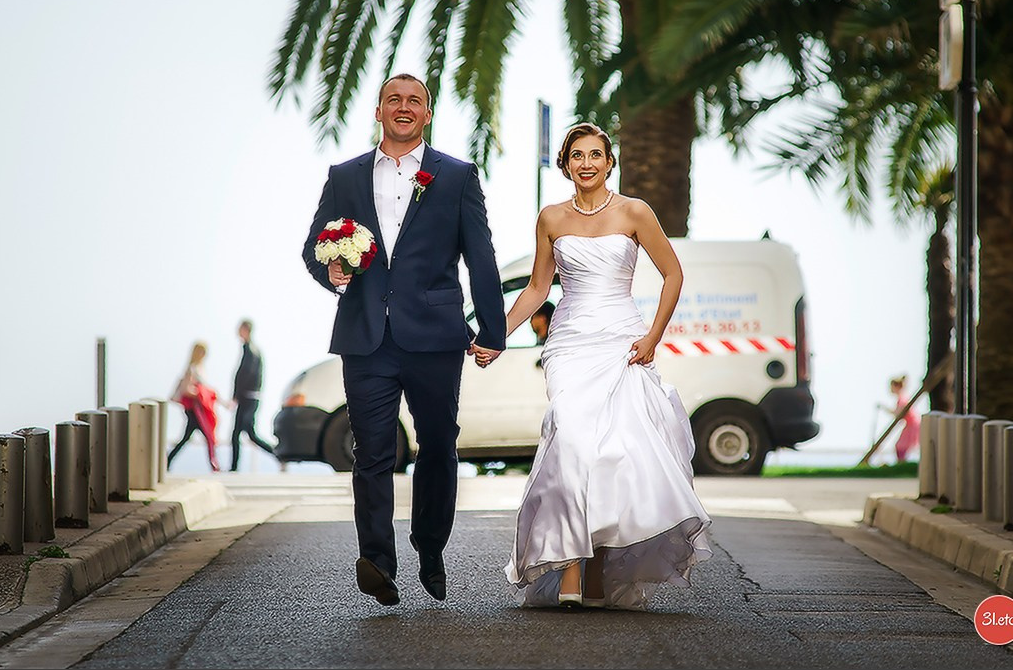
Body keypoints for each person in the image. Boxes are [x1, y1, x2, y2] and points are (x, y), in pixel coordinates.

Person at [482, 122, 713, 610]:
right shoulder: (550, 218)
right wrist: (497, 333)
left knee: (614, 454)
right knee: (571, 441)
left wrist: (653, 336)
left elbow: (673, 274)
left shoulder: (635, 211)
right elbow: (539, 289)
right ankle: (569, 566)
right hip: (569, 344)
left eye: (596, 155)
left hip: (622, 342)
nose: (586, 164)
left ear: (610, 162)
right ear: (565, 164)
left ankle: (601, 573)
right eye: (577, 156)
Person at [302, 72, 506, 607]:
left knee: (438, 445)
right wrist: (333, 273)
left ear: (427, 113)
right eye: (394, 98)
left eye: (414, 100)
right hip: (365, 335)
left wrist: (493, 328)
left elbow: (480, 255)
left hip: (436, 335)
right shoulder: (344, 176)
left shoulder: (456, 176)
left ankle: (430, 547)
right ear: (378, 110)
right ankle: (377, 561)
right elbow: (314, 246)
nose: (403, 106)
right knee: (371, 451)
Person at [228, 319, 277, 472]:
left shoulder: (251, 350)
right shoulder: (251, 350)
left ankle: (234, 467)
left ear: (246, 330)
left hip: (248, 397)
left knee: (239, 433)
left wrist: (237, 394)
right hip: (250, 397)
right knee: (249, 433)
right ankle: (278, 454)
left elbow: (245, 375)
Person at [166, 342, 221, 473]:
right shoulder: (192, 369)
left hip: (198, 409)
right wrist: (201, 394)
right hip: (195, 410)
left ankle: (168, 459)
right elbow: (185, 389)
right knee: (207, 436)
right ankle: (214, 465)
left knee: (188, 437)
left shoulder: (200, 369)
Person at [889, 374, 920, 463]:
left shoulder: (902, 399)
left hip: (912, 425)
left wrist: (884, 408)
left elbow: (898, 414)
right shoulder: (902, 398)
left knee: (901, 446)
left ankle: (901, 464)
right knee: (900, 446)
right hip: (910, 424)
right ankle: (901, 463)